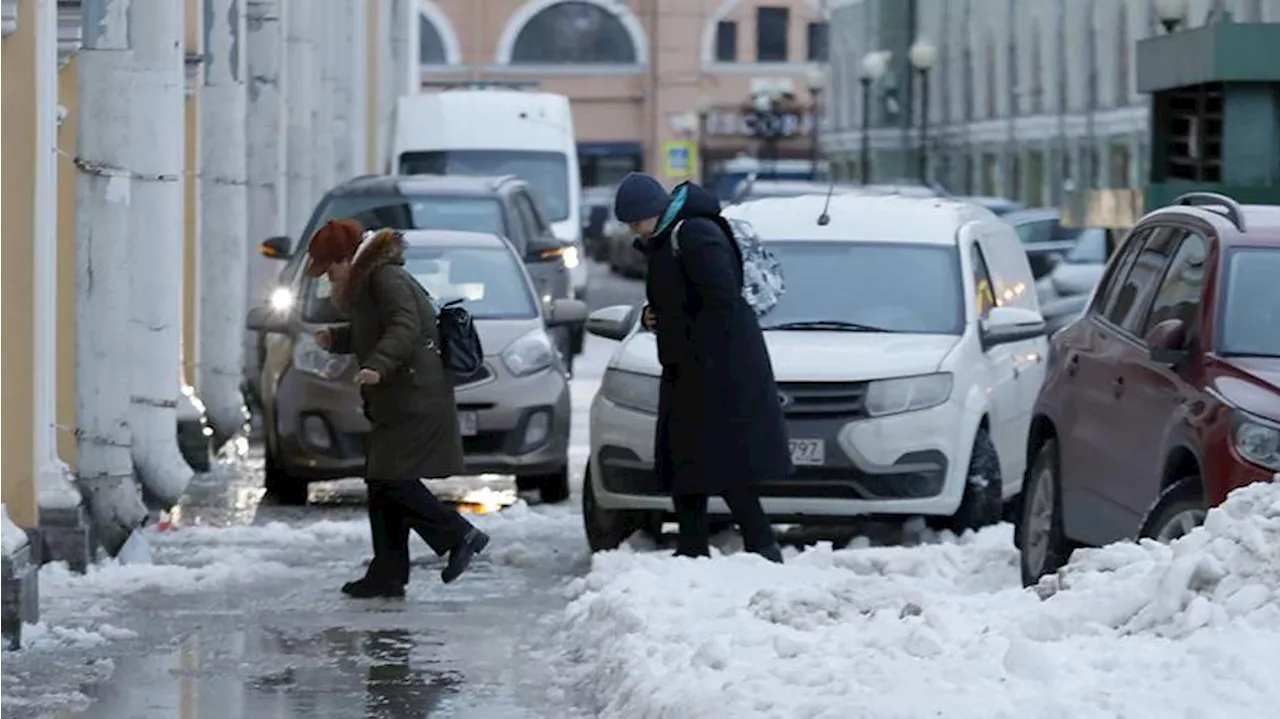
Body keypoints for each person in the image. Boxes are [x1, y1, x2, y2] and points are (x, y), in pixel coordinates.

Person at [306, 220, 490, 598]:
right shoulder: (370, 279)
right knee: (382, 479)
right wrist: (338, 337)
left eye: (329, 268)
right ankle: (388, 573)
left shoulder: (384, 277)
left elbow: (405, 327)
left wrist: (377, 365)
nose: (328, 277)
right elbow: (375, 327)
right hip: (400, 395)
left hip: (414, 395)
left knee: (392, 478)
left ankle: (460, 535)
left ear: (346, 258)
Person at [614, 172, 790, 563]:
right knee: (686, 461)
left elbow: (720, 297)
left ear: (651, 212)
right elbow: (677, 296)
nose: (632, 229)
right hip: (690, 365)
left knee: (723, 463)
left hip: (716, 368)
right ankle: (693, 548)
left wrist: (683, 330)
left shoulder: (693, 233)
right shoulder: (668, 238)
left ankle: (762, 547)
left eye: (634, 220)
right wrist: (652, 316)